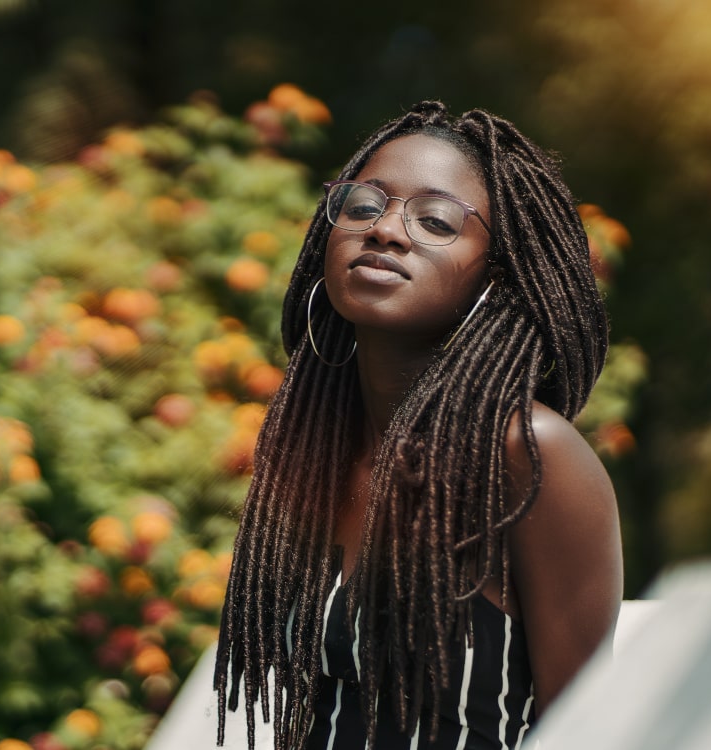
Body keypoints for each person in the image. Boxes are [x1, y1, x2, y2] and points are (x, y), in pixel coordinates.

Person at [213, 101, 623, 750]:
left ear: (495, 273)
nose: (385, 230)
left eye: (435, 221)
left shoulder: (526, 455)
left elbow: (585, 731)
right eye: (363, 206)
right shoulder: (320, 448)